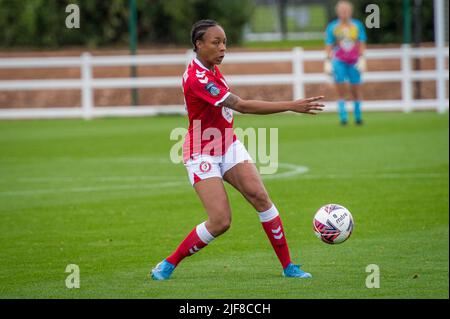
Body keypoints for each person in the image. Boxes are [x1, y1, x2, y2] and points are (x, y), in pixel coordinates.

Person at [151, 19, 325, 280]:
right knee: (221, 221)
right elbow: (241, 105)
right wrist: (291, 105)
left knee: (261, 197)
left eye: (224, 42)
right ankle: (168, 263)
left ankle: (289, 267)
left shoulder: (211, 68)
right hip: (201, 151)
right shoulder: (198, 78)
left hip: (227, 144)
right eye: (216, 42)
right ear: (199, 45)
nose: (223, 48)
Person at [324, 0, 367, 125]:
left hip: (354, 61)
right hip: (339, 61)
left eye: (346, 11)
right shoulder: (333, 27)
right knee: (340, 87)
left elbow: (362, 42)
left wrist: (362, 58)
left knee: (356, 87)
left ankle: (358, 116)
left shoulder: (357, 26)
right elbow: (329, 44)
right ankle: (343, 117)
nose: (344, 13)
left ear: (351, 12)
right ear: (338, 12)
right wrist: (327, 60)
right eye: (342, 11)